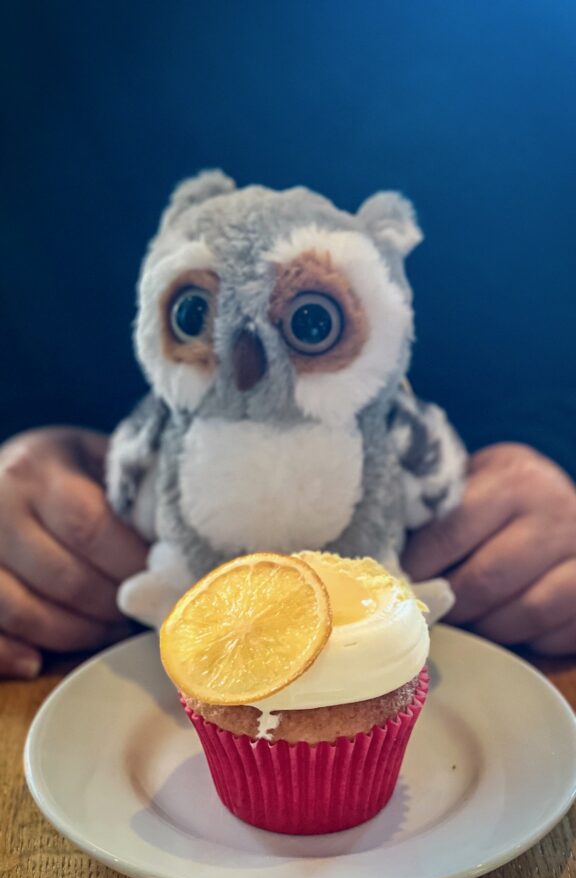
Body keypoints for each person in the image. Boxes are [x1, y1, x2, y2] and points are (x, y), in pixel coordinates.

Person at [1, 2, 575, 677]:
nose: (247, 361)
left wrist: (561, 463)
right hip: (116, 653)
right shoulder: (36, 36)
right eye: (194, 313)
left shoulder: (527, 37)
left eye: (311, 323)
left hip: (463, 646)